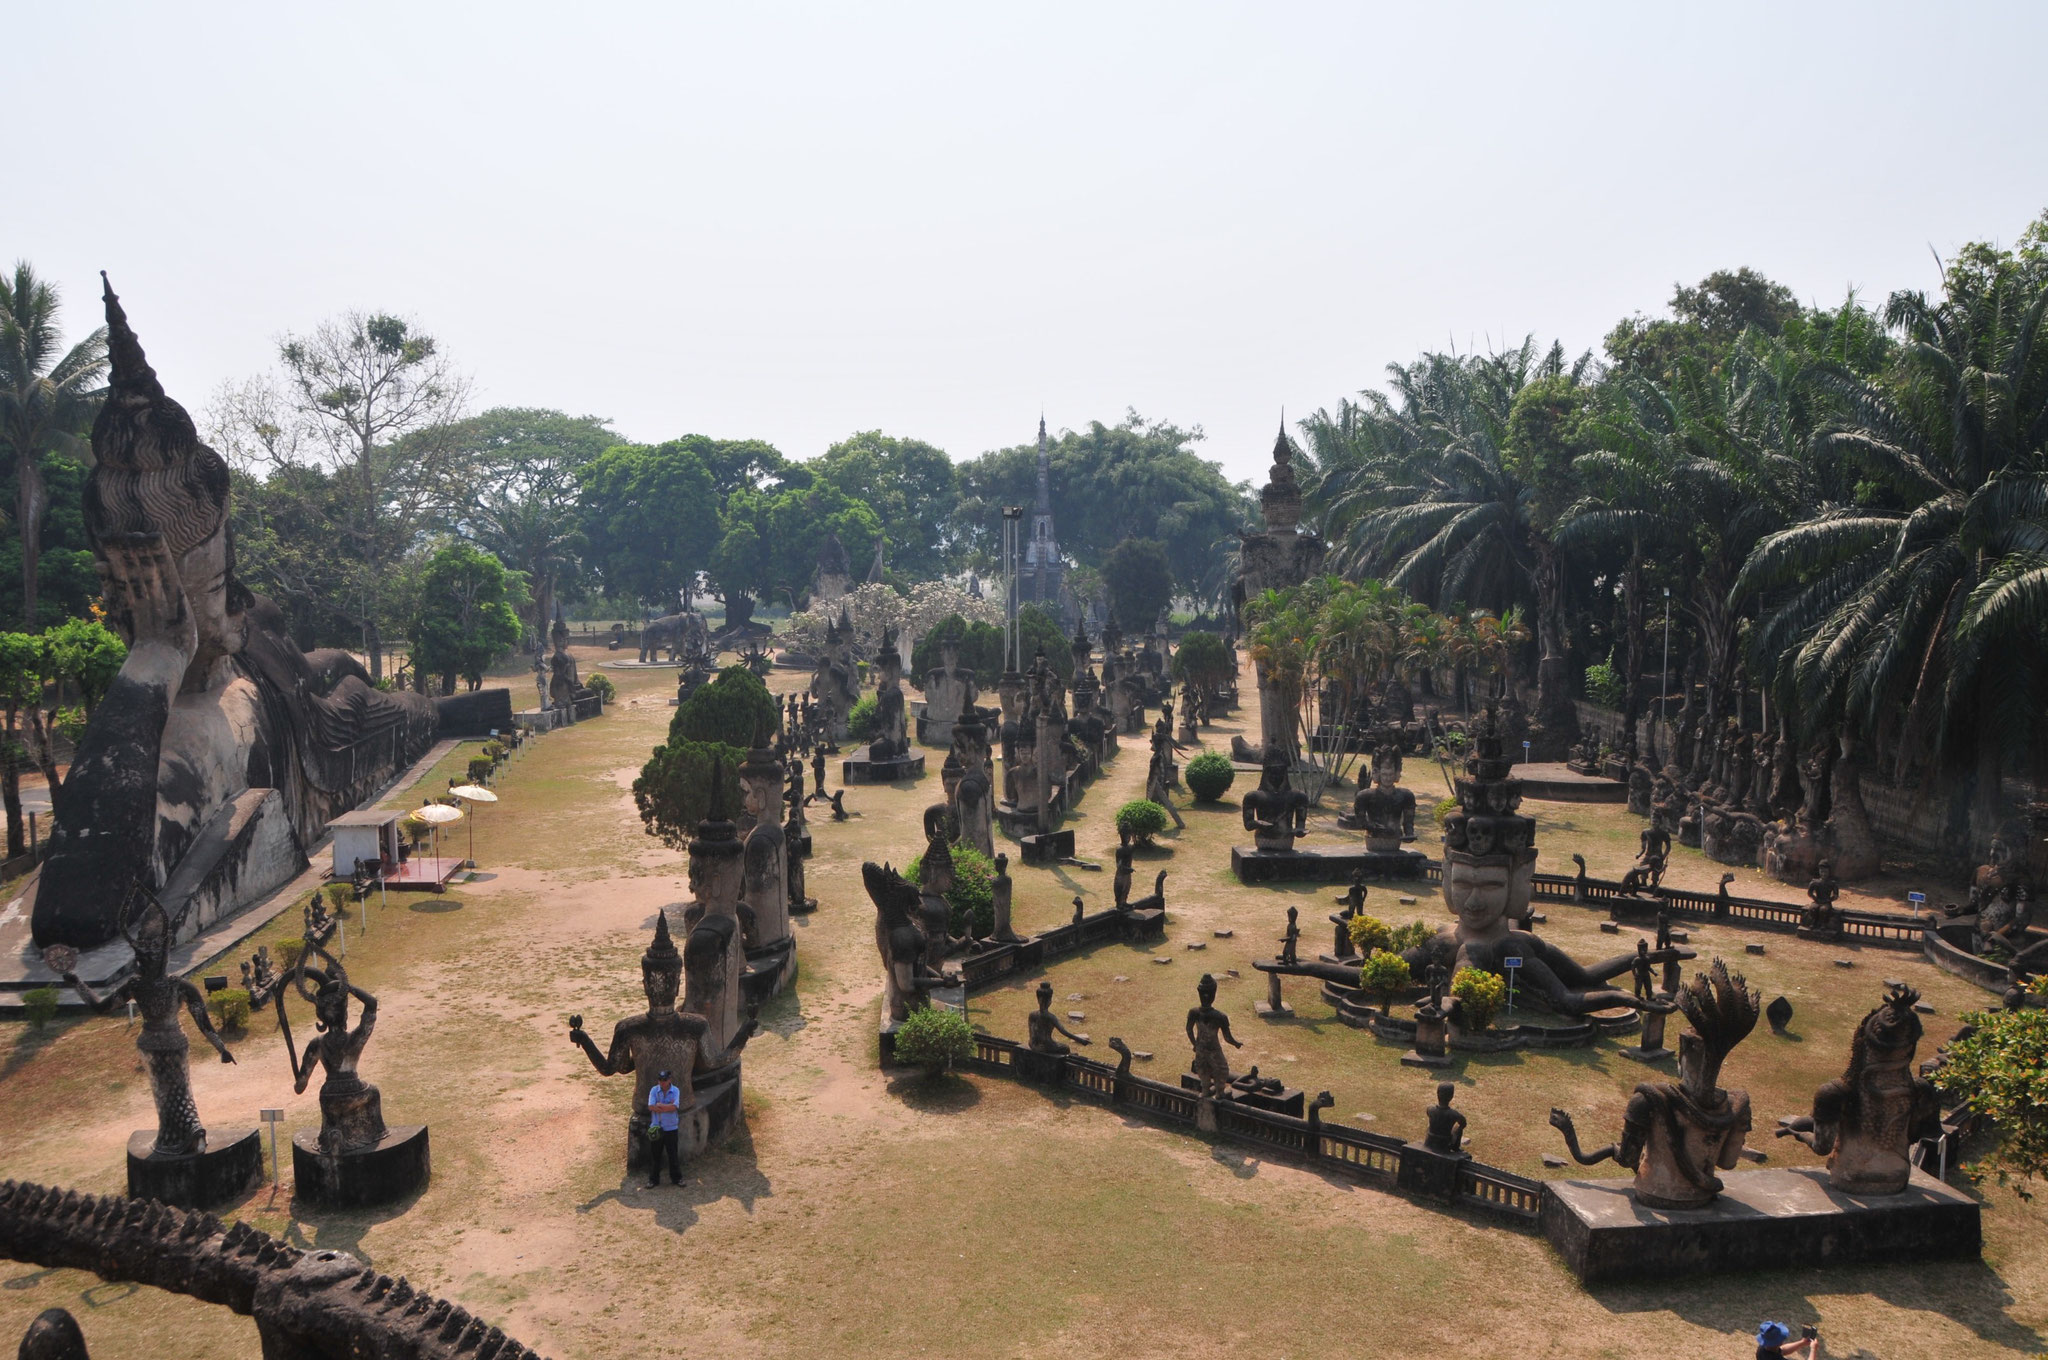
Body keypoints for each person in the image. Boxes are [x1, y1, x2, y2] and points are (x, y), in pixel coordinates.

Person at [647, 1069, 683, 1187]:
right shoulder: (654, 1090)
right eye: (660, 1080)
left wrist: (661, 1105)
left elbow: (675, 1107)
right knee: (655, 1155)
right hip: (657, 1127)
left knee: (673, 1154)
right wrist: (668, 1106)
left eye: (665, 1080)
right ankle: (653, 1180)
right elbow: (651, 1106)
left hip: (671, 1127)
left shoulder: (675, 1090)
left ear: (669, 1080)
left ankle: (677, 1179)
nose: (662, 1083)